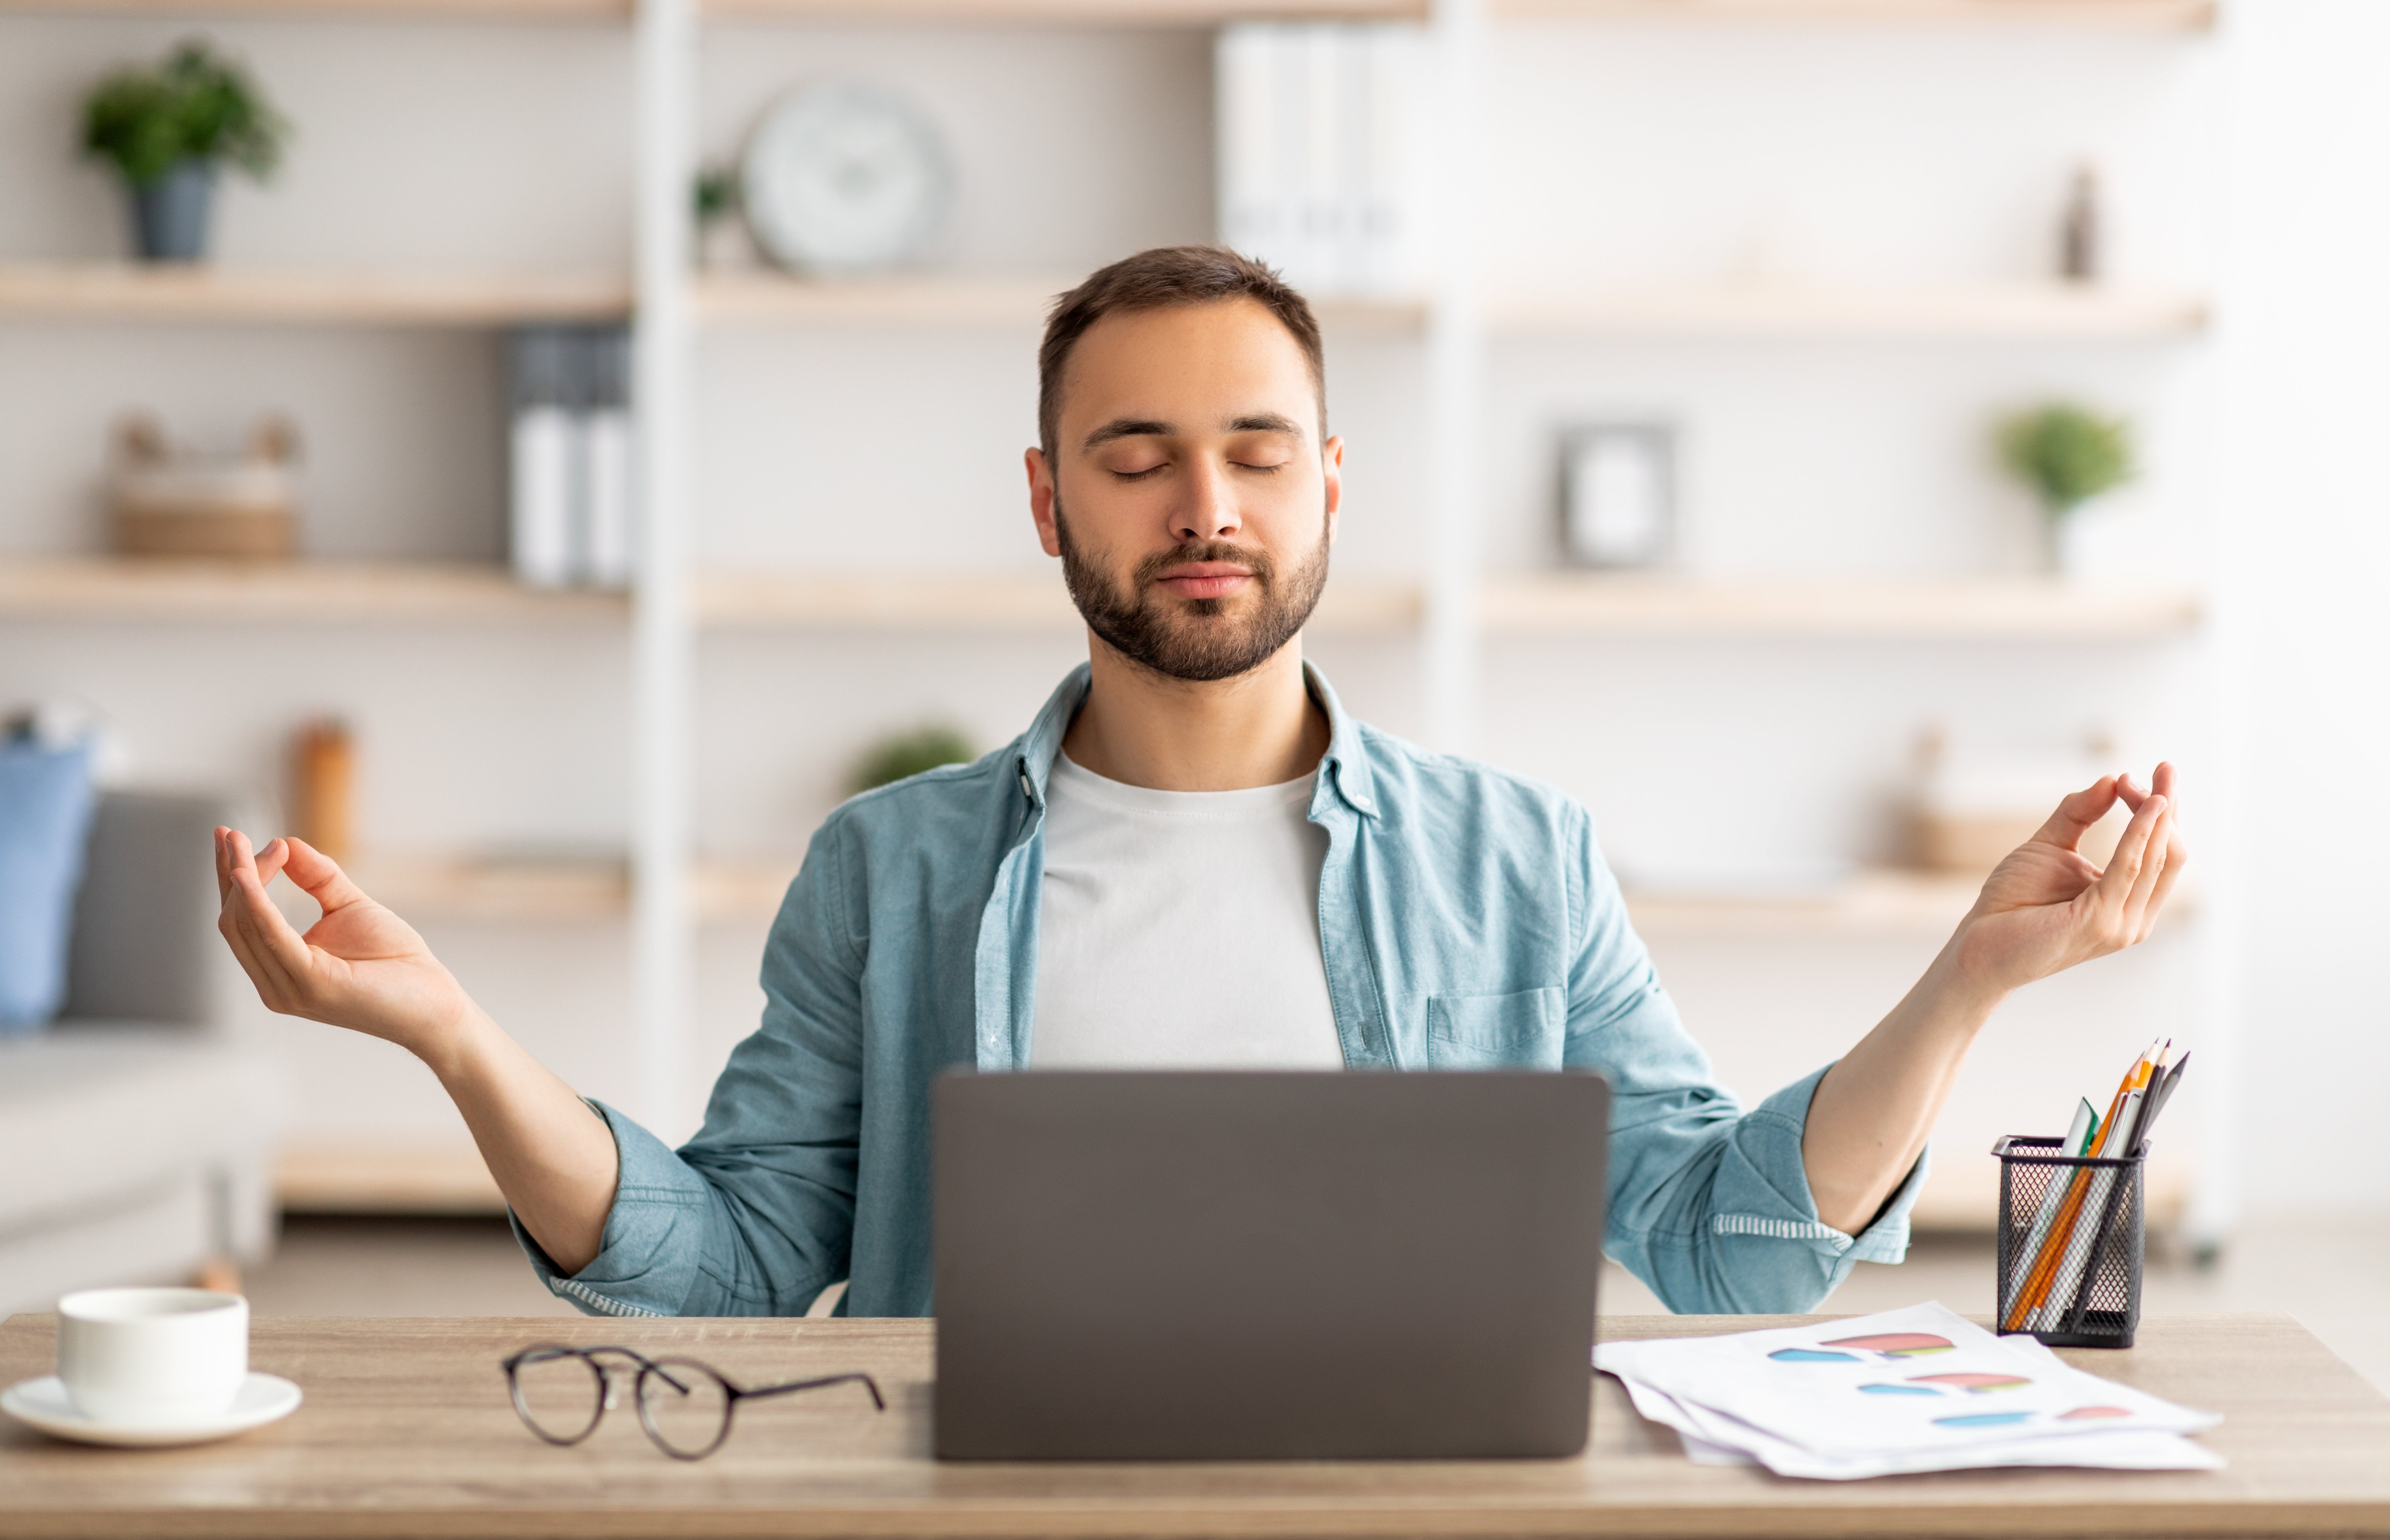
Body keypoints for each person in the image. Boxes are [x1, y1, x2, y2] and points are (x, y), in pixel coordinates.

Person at [213, 246, 2187, 1318]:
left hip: (1416, 1537)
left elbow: (1723, 1242)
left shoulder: (1518, 858)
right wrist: (463, 1041)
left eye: (1258, 448)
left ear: (1333, 482)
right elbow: (723, 1262)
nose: (1205, 506)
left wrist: (1972, 979)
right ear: (1049, 495)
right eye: (1135, 452)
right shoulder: (890, 872)